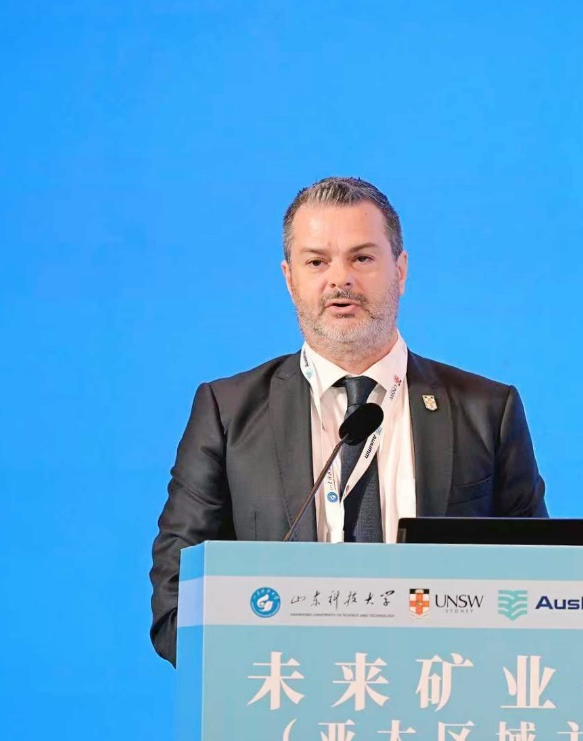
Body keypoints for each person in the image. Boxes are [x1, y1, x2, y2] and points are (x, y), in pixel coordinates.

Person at [148, 176, 548, 666]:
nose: (340, 280)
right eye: (316, 262)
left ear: (401, 270)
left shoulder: (485, 411)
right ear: (289, 278)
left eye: (362, 258)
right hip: (284, 694)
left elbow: (537, 587)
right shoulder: (228, 413)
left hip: (442, 691)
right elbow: (178, 601)